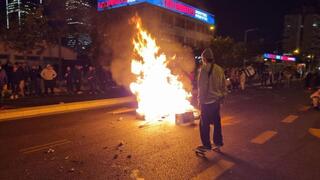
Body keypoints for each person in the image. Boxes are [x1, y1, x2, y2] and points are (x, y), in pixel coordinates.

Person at [197, 48, 228, 152]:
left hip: (207, 102)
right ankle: (218, 143)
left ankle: (206, 145)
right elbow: (224, 86)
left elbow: (202, 88)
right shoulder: (219, 69)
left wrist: (200, 101)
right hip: (216, 102)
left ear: (204, 58)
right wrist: (222, 98)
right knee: (217, 123)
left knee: (204, 124)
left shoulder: (204, 69)